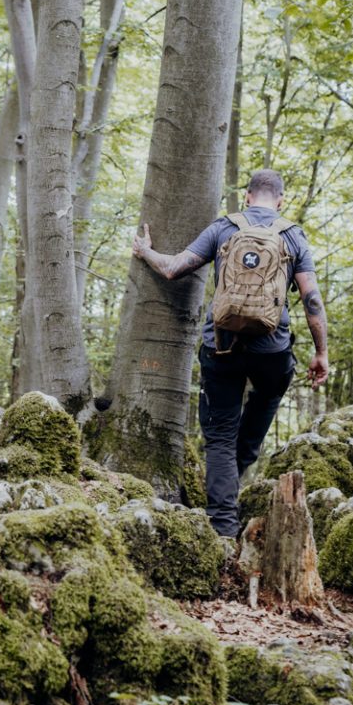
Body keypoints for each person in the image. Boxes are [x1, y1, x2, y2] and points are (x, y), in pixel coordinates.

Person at [131, 168, 329, 539]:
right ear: (280, 200)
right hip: (272, 348)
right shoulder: (293, 235)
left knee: (220, 435)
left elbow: (174, 269)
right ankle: (233, 476)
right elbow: (311, 299)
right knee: (267, 398)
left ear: (248, 196)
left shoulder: (225, 227)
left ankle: (222, 527)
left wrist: (145, 251)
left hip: (221, 345)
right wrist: (322, 353)